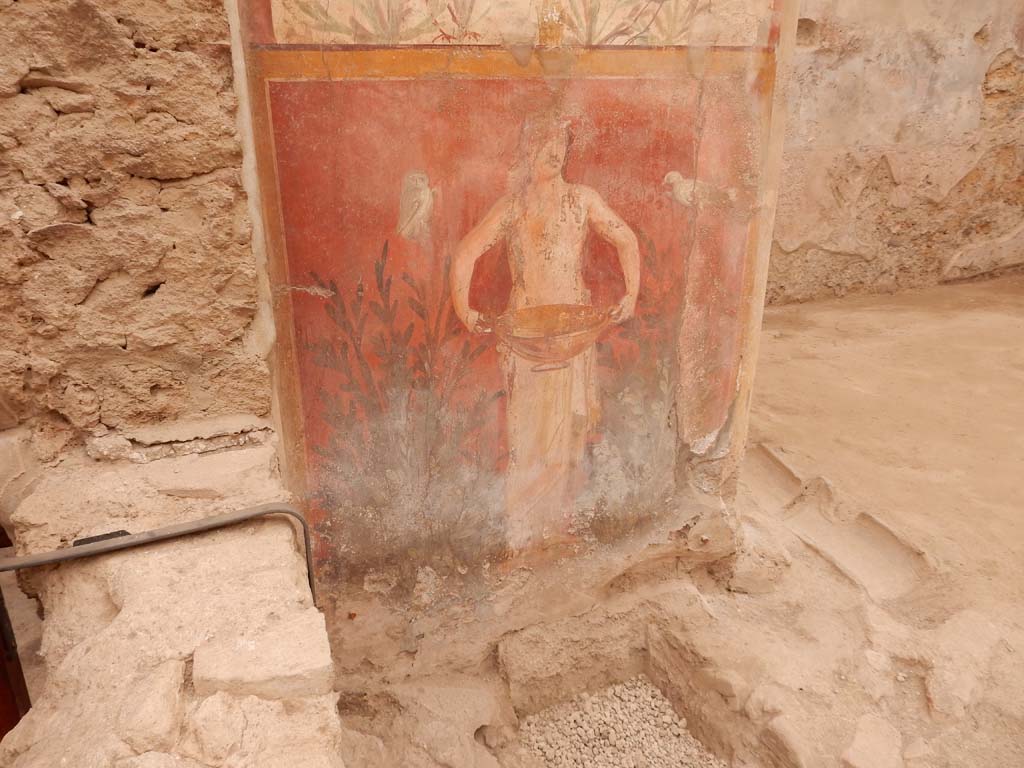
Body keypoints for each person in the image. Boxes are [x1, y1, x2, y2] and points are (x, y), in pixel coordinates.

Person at [450, 110, 640, 553]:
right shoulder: (513, 206)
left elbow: (626, 239)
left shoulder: (582, 199)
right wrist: (464, 308)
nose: (553, 152)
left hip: (573, 332)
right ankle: (523, 539)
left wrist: (630, 295)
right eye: (542, 143)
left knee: (569, 436)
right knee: (529, 437)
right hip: (527, 335)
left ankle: (558, 532)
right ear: (526, 151)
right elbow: (466, 253)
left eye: (560, 144)